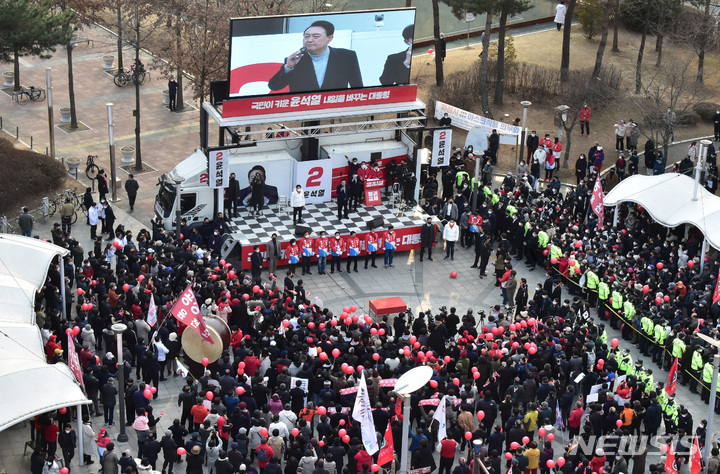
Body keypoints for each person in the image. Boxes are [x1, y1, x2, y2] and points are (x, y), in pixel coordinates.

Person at [268, 20, 363, 93]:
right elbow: (274, 86)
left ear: (329, 38)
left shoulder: (347, 57)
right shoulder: (295, 60)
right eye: (306, 36)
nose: (309, 40)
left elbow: (358, 88)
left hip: (335, 109)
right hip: (304, 111)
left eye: (316, 36)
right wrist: (288, 67)